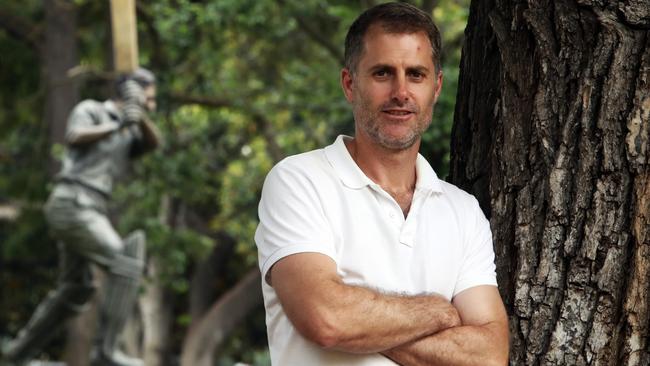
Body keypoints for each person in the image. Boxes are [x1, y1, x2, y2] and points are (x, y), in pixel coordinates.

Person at [254, 3, 509, 365]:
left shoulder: (463, 212)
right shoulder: (299, 181)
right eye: (382, 73)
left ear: (436, 87)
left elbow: (488, 355)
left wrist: (365, 323)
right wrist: (440, 312)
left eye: (416, 75)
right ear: (349, 84)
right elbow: (327, 319)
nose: (401, 92)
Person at [2, 68, 161, 366]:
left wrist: (137, 116)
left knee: (77, 288)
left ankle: (17, 355)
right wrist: (117, 125)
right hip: (72, 202)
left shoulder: (133, 128)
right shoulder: (92, 110)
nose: (153, 105)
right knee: (124, 262)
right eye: (148, 98)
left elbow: (154, 144)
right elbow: (74, 137)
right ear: (129, 91)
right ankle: (106, 350)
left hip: (91, 207)